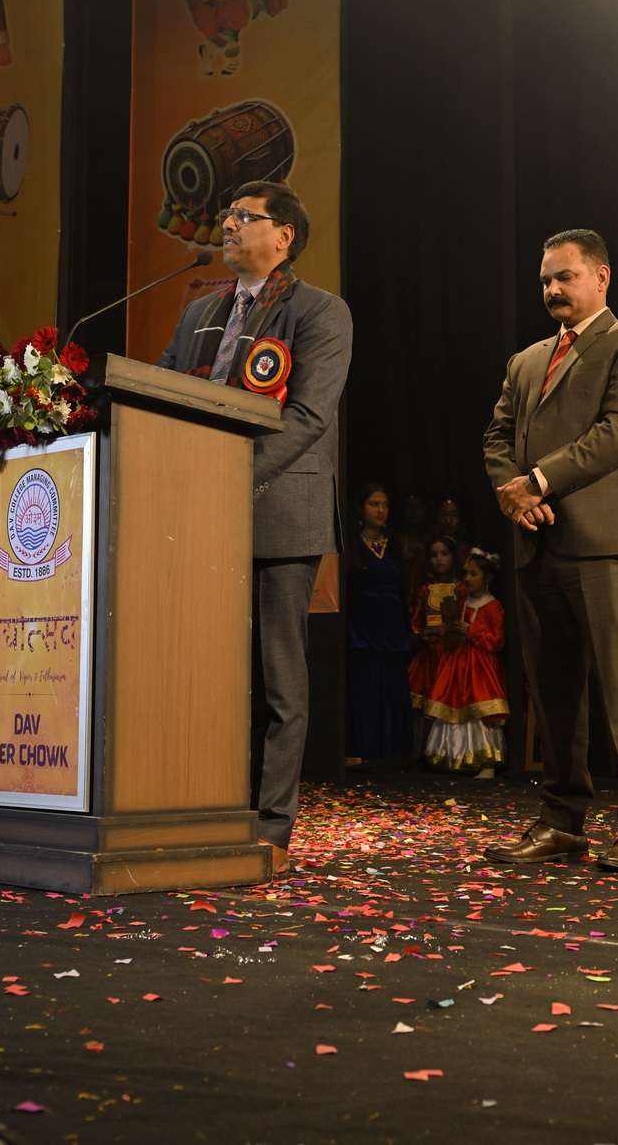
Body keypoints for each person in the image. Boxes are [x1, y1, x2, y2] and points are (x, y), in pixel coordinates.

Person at [158, 180, 352, 876]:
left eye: (245, 217)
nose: (228, 225)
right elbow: (163, 393)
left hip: (277, 510)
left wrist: (228, 480)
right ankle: (208, 804)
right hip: (198, 516)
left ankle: (271, 824)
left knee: (277, 678)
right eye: (227, 215)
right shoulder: (200, 311)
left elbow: (308, 416)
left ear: (284, 236)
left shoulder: (319, 312)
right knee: (205, 672)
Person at [483, 229, 618, 873]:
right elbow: (497, 437)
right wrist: (514, 496)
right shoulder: (526, 360)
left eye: (564, 276)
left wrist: (537, 482)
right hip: (537, 540)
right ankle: (562, 820)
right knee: (554, 692)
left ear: (601, 277)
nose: (552, 289)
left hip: (605, 543)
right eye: (545, 279)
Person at [421, 547, 508, 776]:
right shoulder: (462, 603)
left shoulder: (492, 606)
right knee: (455, 709)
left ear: (487, 578)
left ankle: (486, 761)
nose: (467, 578)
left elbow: (497, 641)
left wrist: (472, 630)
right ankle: (456, 756)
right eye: (466, 573)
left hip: (479, 668)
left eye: (473, 574)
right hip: (458, 663)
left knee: (479, 711)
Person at [345, 482, 414, 765]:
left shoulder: (395, 545)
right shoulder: (353, 545)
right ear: (362, 508)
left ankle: (393, 753)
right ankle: (363, 749)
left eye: (385, 505)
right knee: (366, 688)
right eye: (374, 504)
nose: (381, 510)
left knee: (392, 687)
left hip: (392, 627)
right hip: (363, 627)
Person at [407, 535, 460, 731]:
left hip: (453, 655)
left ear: (453, 557)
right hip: (429, 656)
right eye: (434, 555)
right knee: (426, 710)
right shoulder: (425, 590)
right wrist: (421, 634)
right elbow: (417, 620)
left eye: (444, 554)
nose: (439, 559)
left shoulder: (461, 589)